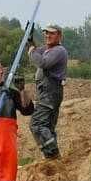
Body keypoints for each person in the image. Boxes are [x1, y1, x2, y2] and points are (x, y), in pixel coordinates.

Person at [28, 24, 68, 159]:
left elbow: (42, 63)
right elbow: (37, 53)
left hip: (50, 92)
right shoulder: (47, 49)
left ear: (59, 36)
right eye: (46, 33)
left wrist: (32, 51)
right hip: (48, 92)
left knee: (37, 124)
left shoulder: (59, 50)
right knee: (48, 128)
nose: (48, 36)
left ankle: (53, 155)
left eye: (52, 33)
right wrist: (31, 42)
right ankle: (53, 160)